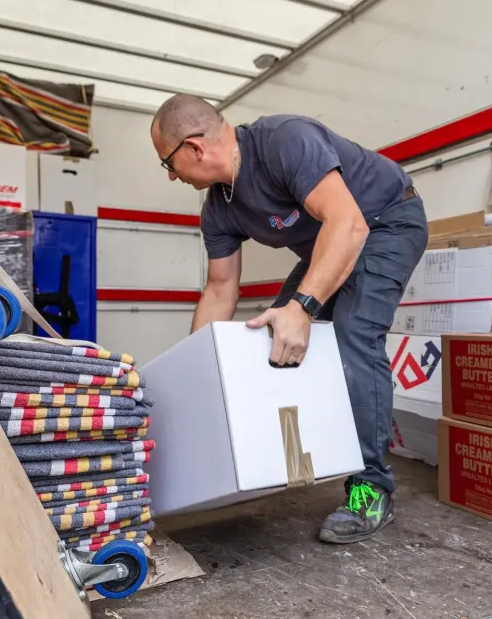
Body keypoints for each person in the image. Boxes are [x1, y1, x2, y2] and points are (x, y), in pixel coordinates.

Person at [150, 94, 428, 544]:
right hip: (330, 240)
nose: (170, 174)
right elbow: (220, 288)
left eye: (168, 162)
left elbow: (349, 224)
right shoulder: (218, 208)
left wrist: (303, 307)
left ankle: (372, 488)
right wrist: (195, 371)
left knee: (353, 335)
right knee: (272, 336)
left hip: (384, 223)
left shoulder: (285, 141)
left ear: (194, 148)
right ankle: (278, 462)